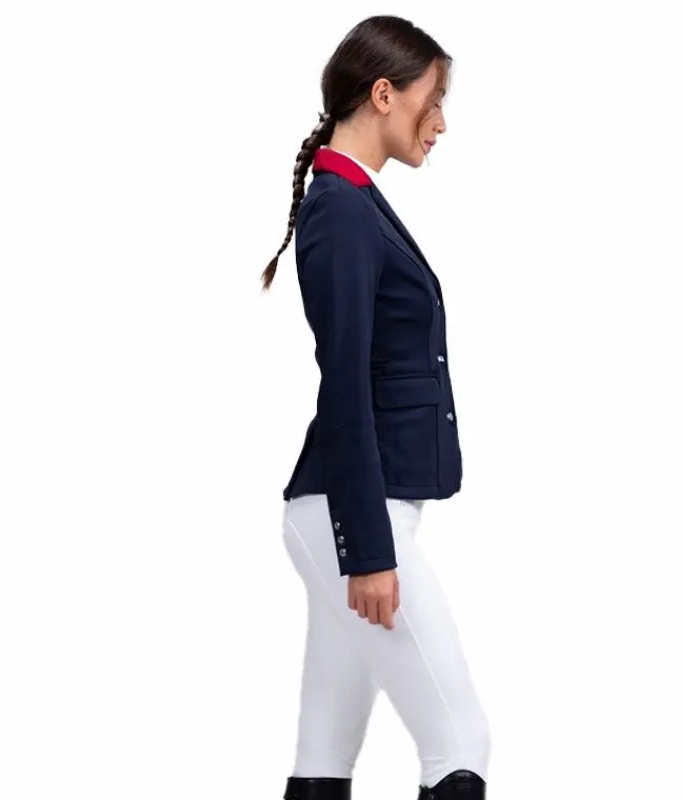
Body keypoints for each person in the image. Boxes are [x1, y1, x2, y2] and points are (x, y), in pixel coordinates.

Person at [261, 15, 491, 800]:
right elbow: (345, 385)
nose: (442, 121)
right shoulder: (343, 211)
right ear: (384, 94)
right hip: (354, 514)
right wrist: (366, 549)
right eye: (435, 98)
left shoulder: (353, 200)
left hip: (353, 509)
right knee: (459, 744)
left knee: (324, 751)